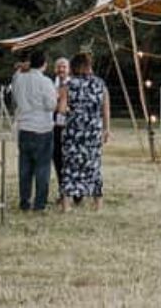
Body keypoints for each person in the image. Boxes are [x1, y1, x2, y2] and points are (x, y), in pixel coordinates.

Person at [60, 52, 111, 210]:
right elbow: (106, 109)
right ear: (89, 66)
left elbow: (61, 110)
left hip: (74, 130)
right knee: (93, 165)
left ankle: (67, 204)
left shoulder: (68, 85)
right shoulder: (100, 84)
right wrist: (106, 129)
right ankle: (98, 203)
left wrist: (71, 111)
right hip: (93, 130)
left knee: (70, 166)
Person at [11, 50, 59, 212]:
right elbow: (51, 105)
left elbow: (15, 96)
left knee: (25, 167)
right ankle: (39, 204)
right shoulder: (46, 82)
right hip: (42, 128)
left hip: (24, 126)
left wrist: (21, 67)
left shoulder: (18, 79)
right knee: (42, 168)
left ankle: (24, 201)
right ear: (44, 64)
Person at [50, 56, 72, 202]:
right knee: (58, 159)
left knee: (71, 160)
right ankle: (62, 192)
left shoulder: (74, 85)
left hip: (70, 126)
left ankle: (76, 192)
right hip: (55, 127)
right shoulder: (51, 85)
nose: (61, 69)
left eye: (64, 66)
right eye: (59, 66)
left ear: (69, 69)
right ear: (55, 69)